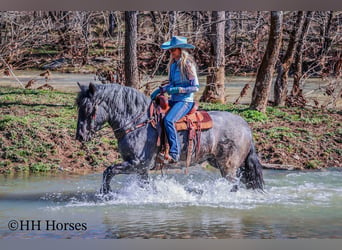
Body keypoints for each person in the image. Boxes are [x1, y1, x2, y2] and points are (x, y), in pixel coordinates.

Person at [151, 36, 200, 163]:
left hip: (185, 101)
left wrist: (178, 90)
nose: (171, 51)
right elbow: (172, 84)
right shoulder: (173, 65)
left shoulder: (187, 64)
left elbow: (195, 87)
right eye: (170, 49)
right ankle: (160, 148)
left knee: (168, 120)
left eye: (173, 49)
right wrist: (161, 90)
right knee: (156, 114)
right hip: (174, 99)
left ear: (180, 49)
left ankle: (174, 153)